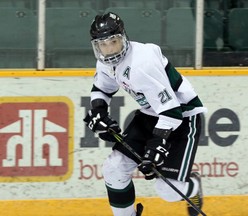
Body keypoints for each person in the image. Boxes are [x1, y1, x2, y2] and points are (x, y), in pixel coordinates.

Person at [83, 12, 207, 216]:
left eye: (113, 42)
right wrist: (98, 112)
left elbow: (172, 111)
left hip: (183, 118)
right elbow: (102, 89)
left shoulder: (142, 63)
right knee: (114, 168)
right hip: (150, 115)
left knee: (167, 191)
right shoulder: (105, 62)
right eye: (102, 44)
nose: (108, 49)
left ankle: (193, 185)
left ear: (123, 37)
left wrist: (157, 143)